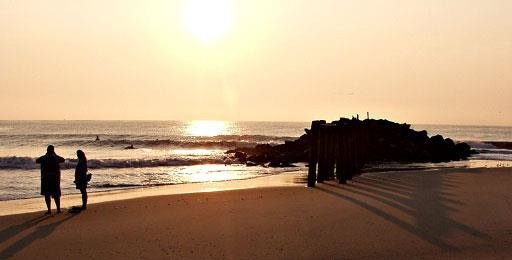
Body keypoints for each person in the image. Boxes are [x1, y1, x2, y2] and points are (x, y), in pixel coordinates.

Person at [35, 145, 65, 214]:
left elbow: (37, 161)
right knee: (56, 194)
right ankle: (58, 209)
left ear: (47, 150)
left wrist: (46, 155)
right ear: (53, 150)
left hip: (45, 178)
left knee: (47, 194)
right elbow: (63, 159)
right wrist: (55, 154)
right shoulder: (56, 157)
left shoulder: (43, 158)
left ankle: (49, 210)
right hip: (55, 178)